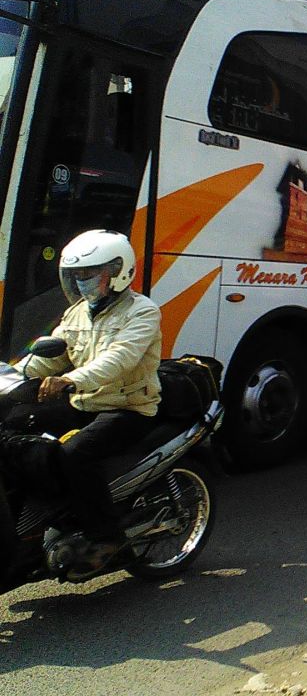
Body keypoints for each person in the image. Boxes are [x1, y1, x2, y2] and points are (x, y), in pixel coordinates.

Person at [8, 229, 162, 570]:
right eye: (75, 276)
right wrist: (13, 377)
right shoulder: (78, 313)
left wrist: (69, 380)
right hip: (84, 403)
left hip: (128, 407)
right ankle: (38, 517)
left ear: (118, 272)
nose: (81, 283)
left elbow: (119, 358)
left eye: (89, 275)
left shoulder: (142, 312)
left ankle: (105, 535)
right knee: (14, 426)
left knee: (75, 453)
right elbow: (50, 354)